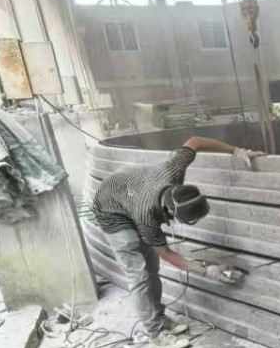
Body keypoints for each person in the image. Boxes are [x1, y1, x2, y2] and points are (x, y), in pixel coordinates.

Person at [91, 135, 262, 336]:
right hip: (110, 209)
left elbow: (196, 141)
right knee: (139, 273)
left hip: (129, 188)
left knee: (152, 268)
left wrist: (237, 151)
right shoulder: (147, 217)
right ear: (169, 212)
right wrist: (206, 270)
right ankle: (155, 332)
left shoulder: (175, 169)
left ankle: (159, 317)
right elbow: (167, 254)